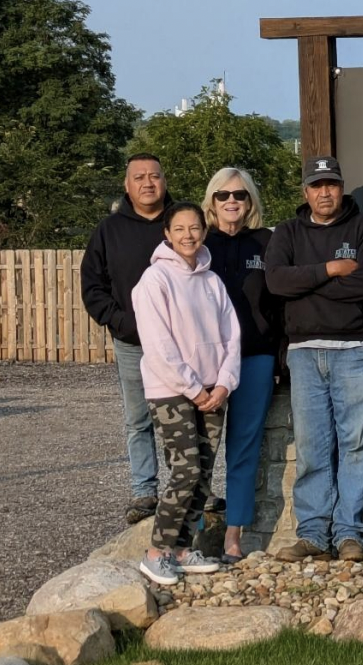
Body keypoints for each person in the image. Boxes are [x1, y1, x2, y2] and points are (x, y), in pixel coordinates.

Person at [265, 156, 363, 563]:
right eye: (317, 185)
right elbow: (277, 281)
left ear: (341, 185)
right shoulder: (288, 232)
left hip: (353, 349)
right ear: (306, 192)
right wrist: (332, 269)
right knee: (314, 448)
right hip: (303, 352)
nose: (325, 192)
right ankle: (313, 533)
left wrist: (308, 285)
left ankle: (350, 533)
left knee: (356, 443)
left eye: (331, 184)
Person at [130, 202, 240, 584]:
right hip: (172, 391)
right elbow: (159, 347)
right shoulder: (154, 281)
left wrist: (225, 381)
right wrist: (194, 390)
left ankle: (181, 548)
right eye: (179, 229)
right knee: (185, 469)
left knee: (205, 474)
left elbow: (231, 334)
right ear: (167, 234)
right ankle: (156, 550)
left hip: (214, 390)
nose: (188, 235)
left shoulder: (211, 281)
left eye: (194, 228)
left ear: (204, 232)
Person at [82, 153, 175, 525]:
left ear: (164, 181)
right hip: (132, 341)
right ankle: (144, 491)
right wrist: (120, 322)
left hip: (177, 343)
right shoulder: (109, 230)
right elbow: (93, 286)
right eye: (139, 177)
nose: (147, 183)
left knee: (180, 418)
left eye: (154, 175)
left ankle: (185, 487)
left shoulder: (181, 223)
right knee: (139, 420)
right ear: (127, 185)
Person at [202, 167, 281, 564]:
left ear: (250, 201)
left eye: (240, 195)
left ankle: (234, 533)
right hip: (207, 361)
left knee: (244, 446)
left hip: (255, 355)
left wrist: (280, 354)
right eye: (222, 195)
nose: (231, 201)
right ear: (211, 202)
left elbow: (280, 301)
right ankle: (195, 530)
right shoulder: (198, 244)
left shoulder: (267, 242)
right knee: (200, 446)